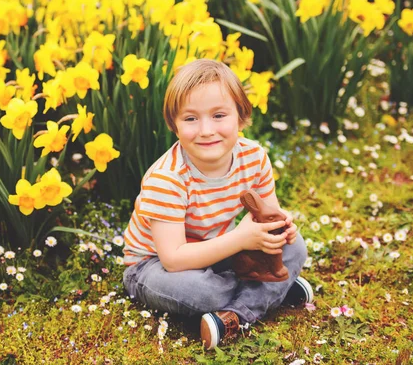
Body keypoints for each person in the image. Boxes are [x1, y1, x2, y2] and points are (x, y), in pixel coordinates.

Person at [122, 59, 313, 350]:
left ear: (241, 116)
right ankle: (271, 292)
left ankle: (234, 314)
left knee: (296, 246)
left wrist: (279, 228)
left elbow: (266, 216)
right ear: (174, 125)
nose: (206, 130)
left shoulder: (253, 157)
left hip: (217, 246)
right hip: (153, 265)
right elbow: (173, 259)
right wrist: (241, 239)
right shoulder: (167, 178)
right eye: (190, 119)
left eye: (219, 115)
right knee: (205, 292)